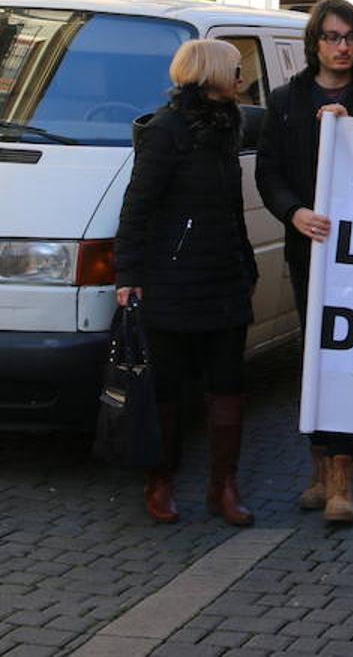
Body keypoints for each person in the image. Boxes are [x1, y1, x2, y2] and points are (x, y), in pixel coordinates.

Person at [255, 0, 353, 523]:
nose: (342, 47)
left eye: (350, 38)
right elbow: (268, 170)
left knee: (346, 357)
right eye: (332, 38)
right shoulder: (286, 99)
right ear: (314, 43)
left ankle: (343, 477)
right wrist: (293, 213)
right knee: (315, 358)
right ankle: (318, 470)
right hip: (308, 246)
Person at [115, 39, 258, 527]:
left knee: (229, 386)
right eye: (236, 69)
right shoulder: (167, 130)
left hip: (224, 280)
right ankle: (161, 480)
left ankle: (224, 486)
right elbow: (138, 205)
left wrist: (245, 264)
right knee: (168, 390)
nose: (241, 77)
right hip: (172, 281)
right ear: (211, 72)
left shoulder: (226, 127)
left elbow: (229, 207)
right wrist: (128, 274)